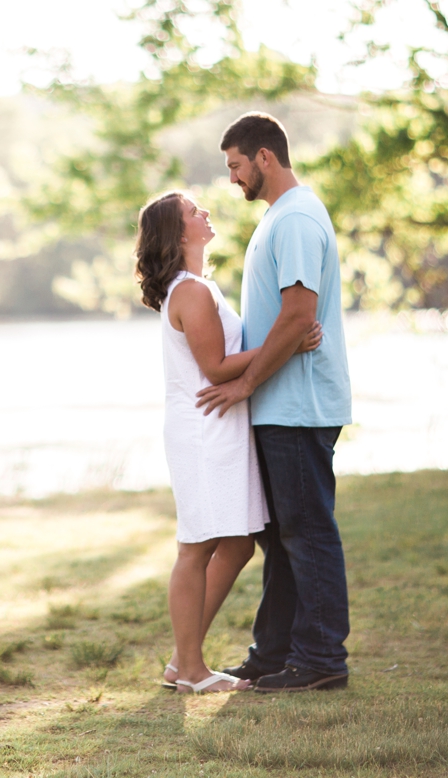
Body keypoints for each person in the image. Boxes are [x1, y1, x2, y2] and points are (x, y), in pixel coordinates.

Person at [134, 190, 322, 695]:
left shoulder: (198, 286)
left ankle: (182, 658)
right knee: (196, 546)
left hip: (220, 425)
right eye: (194, 212)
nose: (205, 213)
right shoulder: (190, 292)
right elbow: (215, 367)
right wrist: (285, 343)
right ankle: (191, 672)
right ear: (177, 234)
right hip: (203, 427)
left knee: (238, 543)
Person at [196, 112, 354, 693]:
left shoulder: (294, 220)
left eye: (236, 165)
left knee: (307, 534)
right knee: (283, 538)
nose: (232, 178)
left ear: (265, 157)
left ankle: (320, 662)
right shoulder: (280, 218)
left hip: (297, 404)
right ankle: (273, 655)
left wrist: (244, 382)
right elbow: (288, 318)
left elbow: (297, 315)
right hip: (281, 405)